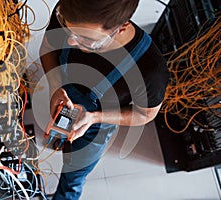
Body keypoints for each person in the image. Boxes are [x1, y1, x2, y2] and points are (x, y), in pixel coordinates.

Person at [39, 0, 170, 199]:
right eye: (68, 29)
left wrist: (94, 117)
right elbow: (47, 48)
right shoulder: (69, 11)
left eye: (84, 37)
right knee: (60, 130)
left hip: (97, 125)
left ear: (122, 27)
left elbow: (145, 115)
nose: (72, 41)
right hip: (66, 97)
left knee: (73, 176)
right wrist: (56, 87)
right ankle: (59, 139)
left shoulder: (150, 71)